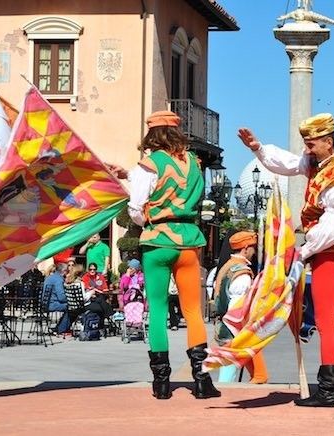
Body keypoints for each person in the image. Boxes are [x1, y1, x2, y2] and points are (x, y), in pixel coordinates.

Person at [238, 113, 334, 407]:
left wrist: (302, 253)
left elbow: (331, 229)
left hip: (329, 252)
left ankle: (329, 389)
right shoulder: (320, 165)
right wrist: (258, 149)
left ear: (328, 142)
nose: (307, 149)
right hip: (324, 252)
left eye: (312, 144)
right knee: (328, 320)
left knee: (326, 321)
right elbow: (289, 163)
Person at [109, 110, 220, 400]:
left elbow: (136, 208)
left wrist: (143, 213)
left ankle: (161, 382)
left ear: (152, 136)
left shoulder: (150, 162)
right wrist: (129, 175)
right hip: (188, 242)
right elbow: (173, 185)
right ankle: (202, 380)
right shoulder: (194, 163)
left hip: (158, 241)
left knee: (157, 309)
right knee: (193, 311)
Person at [213, 231, 269, 384]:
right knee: (226, 378)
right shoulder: (241, 273)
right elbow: (237, 308)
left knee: (229, 371)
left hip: (225, 326)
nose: (254, 251)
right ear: (245, 247)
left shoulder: (227, 267)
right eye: (253, 247)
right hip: (234, 329)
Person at [43, 263, 71, 334]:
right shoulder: (59, 280)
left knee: (70, 306)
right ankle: (61, 329)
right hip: (53, 304)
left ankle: (60, 327)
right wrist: (71, 298)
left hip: (45, 304)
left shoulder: (49, 277)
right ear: (64, 271)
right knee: (73, 307)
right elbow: (61, 297)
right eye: (67, 271)